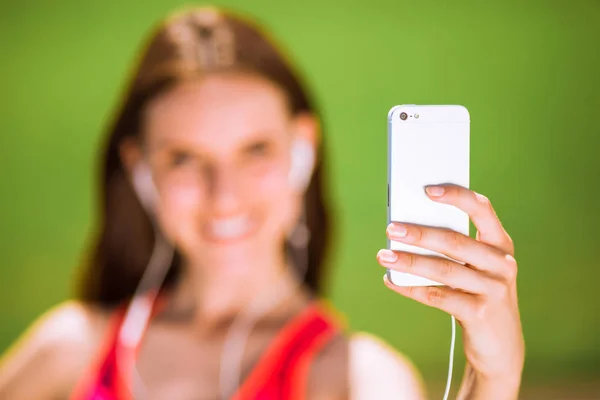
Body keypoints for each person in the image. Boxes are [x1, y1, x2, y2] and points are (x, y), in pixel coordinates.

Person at [0, 6, 524, 399]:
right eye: (184, 158)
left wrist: (494, 378)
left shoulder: (359, 379)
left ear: (304, 150)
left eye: (255, 150)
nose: (224, 195)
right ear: (141, 170)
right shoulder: (67, 347)